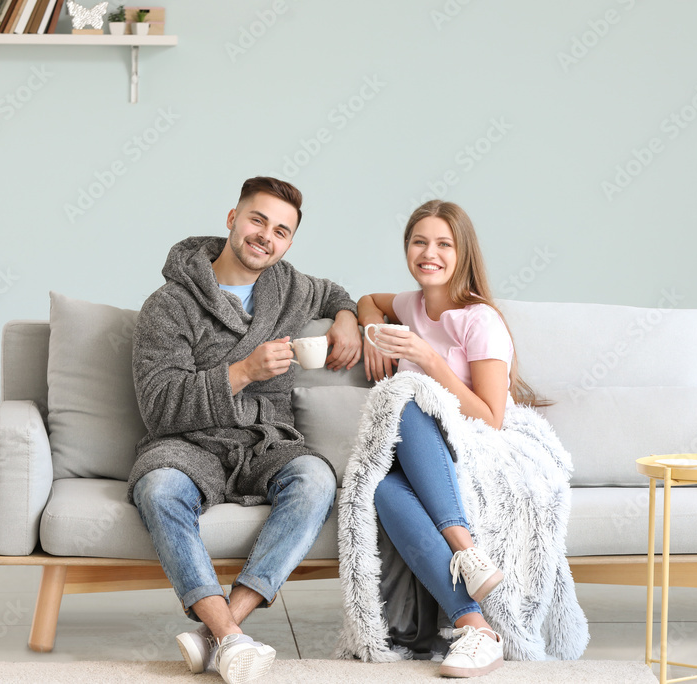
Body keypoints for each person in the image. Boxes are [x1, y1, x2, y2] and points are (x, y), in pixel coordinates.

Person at [127, 177, 362, 683]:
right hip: (190, 442)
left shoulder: (290, 288)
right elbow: (159, 406)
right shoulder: (169, 304)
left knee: (317, 479)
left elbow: (336, 292)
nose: (266, 237)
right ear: (232, 219)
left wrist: (346, 317)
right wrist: (242, 373)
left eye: (281, 231)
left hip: (266, 441)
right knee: (158, 487)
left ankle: (219, 629)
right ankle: (232, 639)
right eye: (258, 220)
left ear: (289, 243)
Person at [357, 199, 544, 678]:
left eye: (443, 243)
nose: (429, 253)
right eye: (419, 241)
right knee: (380, 489)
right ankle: (476, 628)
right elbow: (368, 302)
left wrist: (428, 360)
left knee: (413, 394)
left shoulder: (480, 321)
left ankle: (463, 546)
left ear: (462, 253)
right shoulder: (410, 304)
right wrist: (359, 326)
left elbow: (491, 416)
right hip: (414, 453)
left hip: (472, 445)